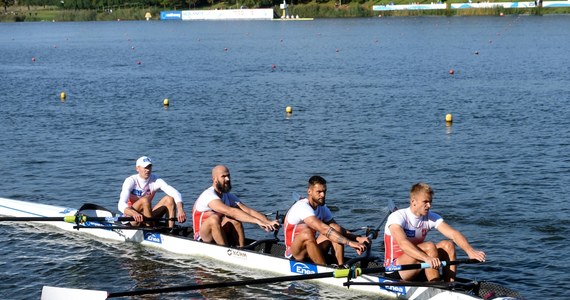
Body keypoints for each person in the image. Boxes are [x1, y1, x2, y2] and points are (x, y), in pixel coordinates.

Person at [383, 182, 486, 282]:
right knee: (429, 246)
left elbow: (454, 234)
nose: (429, 206)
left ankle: (449, 284)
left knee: (448, 245)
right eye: (425, 202)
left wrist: (470, 251)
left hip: (419, 263)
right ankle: (435, 285)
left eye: (430, 202)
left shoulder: (430, 217)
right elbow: (403, 243)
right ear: (413, 201)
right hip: (394, 269)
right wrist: (426, 258)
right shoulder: (397, 217)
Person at [283, 175, 369, 266]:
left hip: (311, 248)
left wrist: (357, 238)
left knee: (335, 228)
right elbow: (324, 229)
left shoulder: (322, 208)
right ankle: (324, 270)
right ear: (309, 191)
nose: (323, 195)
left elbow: (338, 230)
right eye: (319, 192)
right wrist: (350, 243)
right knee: (307, 232)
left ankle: (340, 266)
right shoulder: (302, 207)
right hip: (295, 254)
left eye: (324, 191)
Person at [192, 165, 279, 247]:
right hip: (202, 237)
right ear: (214, 179)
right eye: (223, 176)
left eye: (228, 176)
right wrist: (257, 222)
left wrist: (267, 222)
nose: (227, 179)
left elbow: (248, 211)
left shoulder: (228, 196)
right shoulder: (208, 195)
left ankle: (241, 250)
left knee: (235, 219)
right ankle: (224, 251)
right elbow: (230, 211)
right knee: (215, 219)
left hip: (218, 233)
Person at [118, 156, 186, 228]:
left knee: (169, 199)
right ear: (137, 168)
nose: (147, 170)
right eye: (145, 167)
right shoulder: (130, 181)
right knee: (145, 200)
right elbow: (121, 204)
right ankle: (150, 229)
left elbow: (176, 193)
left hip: (147, 216)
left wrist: (180, 209)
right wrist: (134, 213)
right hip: (131, 218)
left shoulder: (155, 180)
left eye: (149, 167)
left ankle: (170, 230)